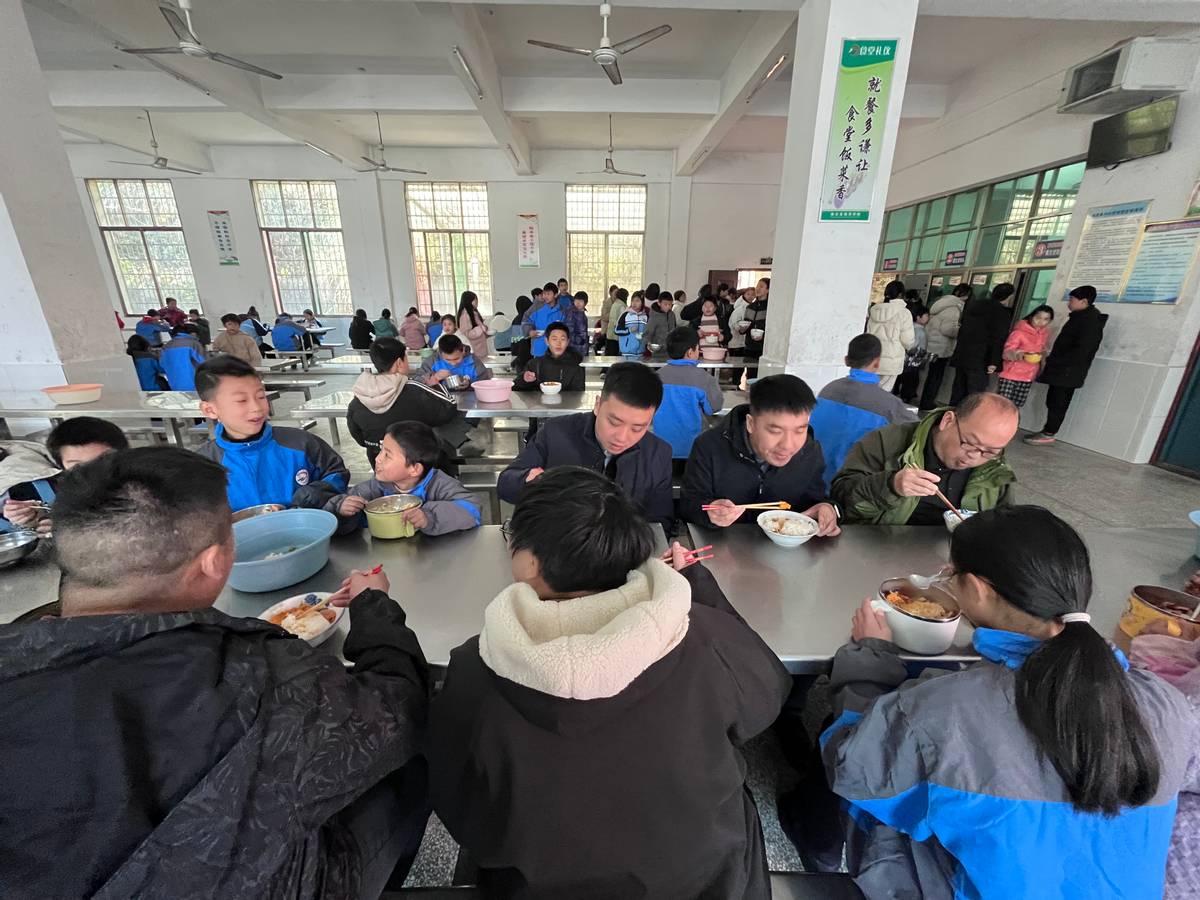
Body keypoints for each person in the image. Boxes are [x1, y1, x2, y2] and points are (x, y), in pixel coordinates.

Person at [0, 447, 431, 899]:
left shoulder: (18, 654)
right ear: (214, 562)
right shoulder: (260, 674)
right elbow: (397, 710)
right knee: (407, 769)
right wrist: (373, 607)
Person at [428, 467, 791, 899]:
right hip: (702, 883)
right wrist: (698, 590)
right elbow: (768, 694)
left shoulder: (475, 667)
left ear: (530, 562)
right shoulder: (703, 636)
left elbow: (456, 799)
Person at [819, 505, 1195, 900]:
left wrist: (869, 663)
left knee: (873, 789)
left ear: (978, 590)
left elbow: (850, 767)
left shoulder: (941, 709)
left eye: (953, 574)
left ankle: (817, 839)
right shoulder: (1167, 703)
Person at [497, 362, 673, 529]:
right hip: (558, 541)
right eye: (614, 422)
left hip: (624, 546)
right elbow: (506, 484)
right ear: (598, 405)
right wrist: (532, 482)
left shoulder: (658, 453)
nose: (622, 437)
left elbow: (659, 522)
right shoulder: (555, 432)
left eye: (637, 428)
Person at [680, 374, 840, 534]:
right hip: (723, 544)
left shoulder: (810, 451)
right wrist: (710, 513)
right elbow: (689, 504)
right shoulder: (710, 446)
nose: (788, 445)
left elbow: (815, 501)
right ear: (751, 424)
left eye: (799, 430)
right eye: (775, 431)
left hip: (787, 547)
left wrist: (827, 508)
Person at [832, 391, 1018, 525]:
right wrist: (890, 485)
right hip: (882, 550)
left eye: (990, 451)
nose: (975, 456)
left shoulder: (994, 468)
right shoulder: (887, 442)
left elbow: (1005, 523)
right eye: (969, 443)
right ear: (947, 421)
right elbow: (841, 500)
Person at [194, 356, 349, 512]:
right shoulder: (203, 466)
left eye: (261, 397)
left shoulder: (301, 443)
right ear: (210, 410)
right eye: (241, 400)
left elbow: (335, 473)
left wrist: (312, 496)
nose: (256, 407)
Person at [328, 421, 481, 536]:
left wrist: (429, 517)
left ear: (414, 469)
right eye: (381, 451)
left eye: (387, 455)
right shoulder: (373, 489)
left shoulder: (440, 485)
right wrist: (341, 510)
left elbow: (472, 510)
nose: (377, 459)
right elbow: (329, 521)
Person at [809, 334, 918, 489]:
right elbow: (921, 432)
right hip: (847, 487)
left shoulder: (828, 390)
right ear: (877, 363)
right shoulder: (890, 405)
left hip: (811, 479)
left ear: (846, 360)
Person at [2, 417, 129, 535]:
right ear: (61, 465)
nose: (91, 470)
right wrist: (33, 519)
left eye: (102, 460)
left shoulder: (137, 483)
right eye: (77, 465)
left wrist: (79, 531)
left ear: (124, 455)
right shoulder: (58, 491)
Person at [346, 338, 459, 467]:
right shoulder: (414, 390)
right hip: (417, 465)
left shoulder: (358, 398)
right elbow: (448, 410)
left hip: (381, 465)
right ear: (399, 363)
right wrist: (436, 384)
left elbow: (359, 438)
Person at [1026, 285, 1108, 445]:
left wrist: (1058, 361)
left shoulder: (1089, 321)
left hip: (1068, 371)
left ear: (1084, 301)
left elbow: (1082, 350)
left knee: (1058, 403)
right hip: (1063, 370)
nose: (1069, 303)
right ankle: (1047, 430)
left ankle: (1049, 433)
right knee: (1053, 401)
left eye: (1072, 299)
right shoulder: (1079, 317)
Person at [654, 327, 725, 461]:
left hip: (662, 448)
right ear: (690, 352)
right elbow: (714, 407)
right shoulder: (705, 378)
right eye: (698, 348)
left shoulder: (656, 377)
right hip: (693, 449)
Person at [950, 282, 1015, 403]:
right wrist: (993, 362)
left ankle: (952, 413)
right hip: (981, 359)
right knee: (975, 395)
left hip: (963, 355)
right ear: (1009, 297)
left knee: (958, 390)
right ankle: (969, 415)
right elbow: (998, 339)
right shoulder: (1001, 313)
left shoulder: (973, 307)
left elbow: (962, 330)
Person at [919, 283, 970, 411]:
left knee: (931, 375)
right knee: (936, 376)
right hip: (941, 348)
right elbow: (947, 329)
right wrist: (960, 330)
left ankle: (925, 401)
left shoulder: (941, 303)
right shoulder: (954, 308)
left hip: (932, 344)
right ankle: (927, 403)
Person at [996, 304, 1054, 408]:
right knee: (1004, 405)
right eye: (1038, 317)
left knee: (1017, 405)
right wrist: (1022, 355)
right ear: (1032, 316)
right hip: (1011, 374)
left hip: (1028, 375)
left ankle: (1013, 419)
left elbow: (1042, 351)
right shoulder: (1019, 333)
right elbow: (1007, 352)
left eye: (1046, 319)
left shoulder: (1044, 335)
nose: (1041, 322)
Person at [865, 280, 915, 392]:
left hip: (873, 358)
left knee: (869, 391)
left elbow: (868, 334)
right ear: (901, 295)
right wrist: (909, 347)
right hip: (892, 360)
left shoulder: (875, 310)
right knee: (884, 393)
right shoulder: (904, 313)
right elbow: (907, 340)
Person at [512, 322, 584, 392]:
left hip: (566, 401)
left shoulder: (576, 368)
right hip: (538, 400)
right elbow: (515, 387)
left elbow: (578, 395)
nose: (558, 343)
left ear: (567, 342)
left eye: (562, 339)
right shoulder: (534, 364)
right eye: (554, 339)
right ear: (547, 341)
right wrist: (524, 380)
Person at [418, 334, 494, 392]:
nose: (453, 363)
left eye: (457, 358)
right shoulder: (432, 362)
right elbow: (416, 384)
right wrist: (434, 377)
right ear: (440, 353)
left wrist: (469, 385)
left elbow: (486, 384)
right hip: (440, 403)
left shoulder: (474, 361)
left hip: (469, 403)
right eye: (448, 360)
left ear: (463, 350)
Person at [892, 302, 929, 404]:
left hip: (905, 360)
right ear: (918, 317)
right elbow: (913, 345)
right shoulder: (919, 331)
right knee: (911, 381)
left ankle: (897, 394)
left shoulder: (910, 327)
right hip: (913, 361)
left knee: (901, 378)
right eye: (926, 315)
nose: (929, 318)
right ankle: (906, 398)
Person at [159, 322, 206, 391]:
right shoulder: (194, 343)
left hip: (174, 385)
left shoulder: (166, 346)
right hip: (195, 384)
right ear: (193, 333)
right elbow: (205, 362)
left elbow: (162, 365)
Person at [527, 284, 564, 358]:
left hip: (555, 349)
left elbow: (565, 330)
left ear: (555, 295)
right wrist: (530, 331)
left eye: (548, 294)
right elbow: (527, 322)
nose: (545, 296)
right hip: (539, 348)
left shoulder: (562, 311)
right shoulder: (536, 309)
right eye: (544, 294)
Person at [742, 278, 770, 366]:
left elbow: (773, 329)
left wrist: (763, 337)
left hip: (763, 349)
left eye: (761, 286)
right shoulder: (750, 307)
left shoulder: (770, 308)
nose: (757, 288)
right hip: (749, 347)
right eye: (757, 286)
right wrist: (742, 329)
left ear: (768, 290)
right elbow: (745, 326)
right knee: (750, 372)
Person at [456, 291, 489, 361]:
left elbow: (477, 329)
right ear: (469, 301)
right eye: (475, 299)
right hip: (474, 350)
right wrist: (481, 328)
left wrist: (485, 331)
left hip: (479, 349)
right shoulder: (465, 315)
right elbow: (466, 333)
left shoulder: (473, 313)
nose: (477, 301)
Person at [615, 290, 649, 357]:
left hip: (641, 353)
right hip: (627, 353)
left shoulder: (646, 316)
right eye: (632, 301)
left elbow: (648, 332)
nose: (634, 303)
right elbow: (617, 330)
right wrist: (629, 330)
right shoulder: (625, 315)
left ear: (642, 302)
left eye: (637, 301)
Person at [563, 291, 590, 358]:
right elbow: (568, 331)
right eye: (576, 301)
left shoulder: (581, 313)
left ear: (585, 303)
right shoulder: (571, 313)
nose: (578, 303)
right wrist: (580, 340)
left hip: (581, 348)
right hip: (573, 348)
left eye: (580, 301)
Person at [603, 287, 629, 356]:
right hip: (616, 336)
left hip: (610, 334)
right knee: (615, 357)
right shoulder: (622, 306)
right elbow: (622, 321)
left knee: (610, 356)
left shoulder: (615, 304)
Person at [598, 283, 621, 352]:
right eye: (615, 293)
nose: (616, 294)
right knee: (609, 349)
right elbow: (604, 317)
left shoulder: (619, 302)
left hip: (616, 330)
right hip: (607, 329)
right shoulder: (606, 302)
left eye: (618, 293)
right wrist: (613, 312)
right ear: (610, 293)